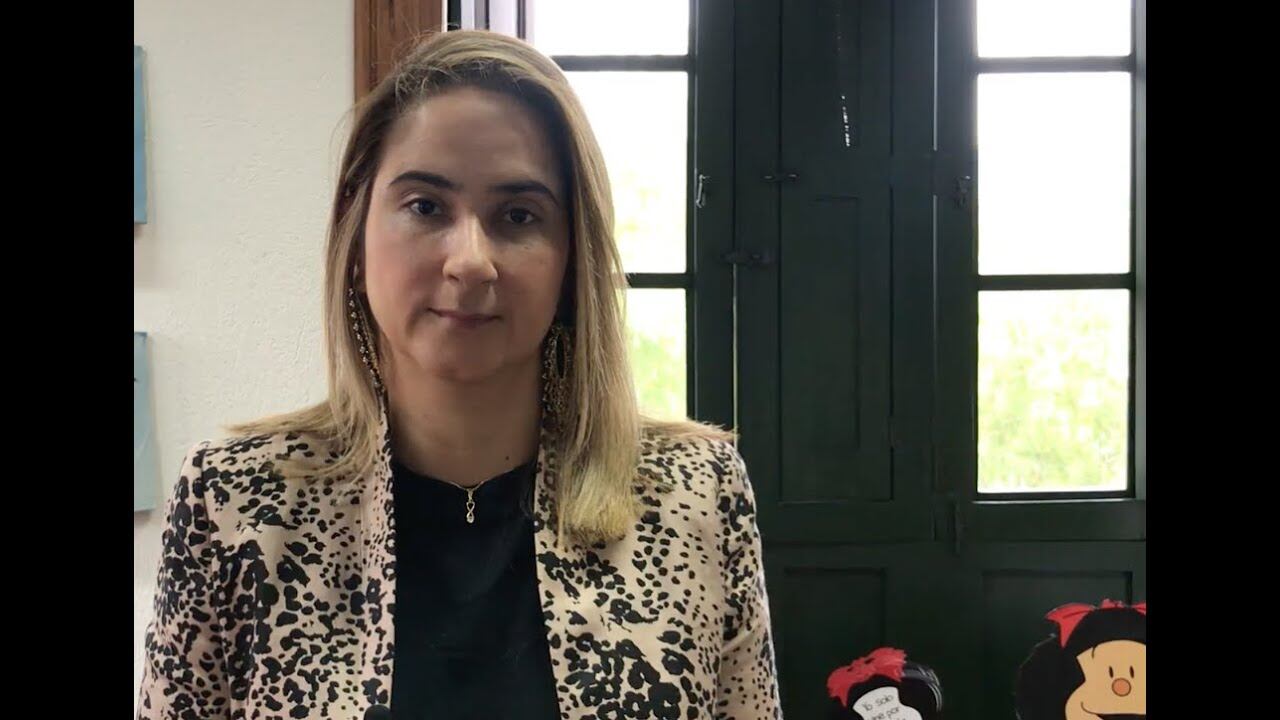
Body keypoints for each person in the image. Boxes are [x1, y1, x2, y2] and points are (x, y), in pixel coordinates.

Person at [137, 29, 783, 720]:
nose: (471, 260)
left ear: (572, 261)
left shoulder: (695, 495)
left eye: (518, 215)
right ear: (356, 235)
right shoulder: (233, 503)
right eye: (425, 206)